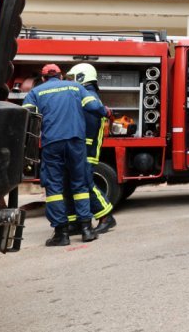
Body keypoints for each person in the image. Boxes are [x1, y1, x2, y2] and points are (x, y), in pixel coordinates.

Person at [22, 63, 108, 246]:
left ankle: (61, 234)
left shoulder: (36, 92)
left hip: (52, 144)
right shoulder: (75, 87)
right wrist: (106, 111)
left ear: (43, 78)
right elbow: (94, 106)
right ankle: (86, 229)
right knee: (80, 184)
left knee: (54, 188)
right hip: (76, 142)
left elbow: (27, 114)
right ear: (61, 76)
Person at [65, 63, 117, 235]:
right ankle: (75, 222)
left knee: (85, 183)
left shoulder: (88, 95)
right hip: (81, 148)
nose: (70, 81)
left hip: (86, 149)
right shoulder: (85, 94)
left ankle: (106, 217)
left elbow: (90, 125)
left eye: (73, 78)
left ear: (82, 77)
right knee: (73, 184)